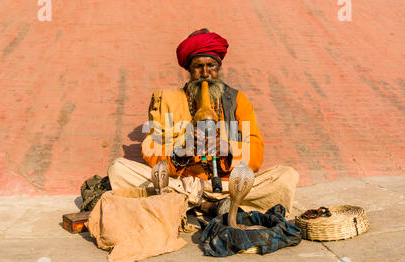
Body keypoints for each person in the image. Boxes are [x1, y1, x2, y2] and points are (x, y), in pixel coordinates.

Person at [108, 28, 299, 218]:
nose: (205, 73)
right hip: (182, 182)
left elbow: (256, 150)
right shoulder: (167, 100)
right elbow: (150, 149)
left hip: (227, 184)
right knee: (119, 169)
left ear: (219, 68)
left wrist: (229, 148)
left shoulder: (238, 100)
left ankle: (189, 204)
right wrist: (180, 154)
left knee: (286, 176)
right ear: (189, 70)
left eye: (211, 66)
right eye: (198, 67)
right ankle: (208, 205)